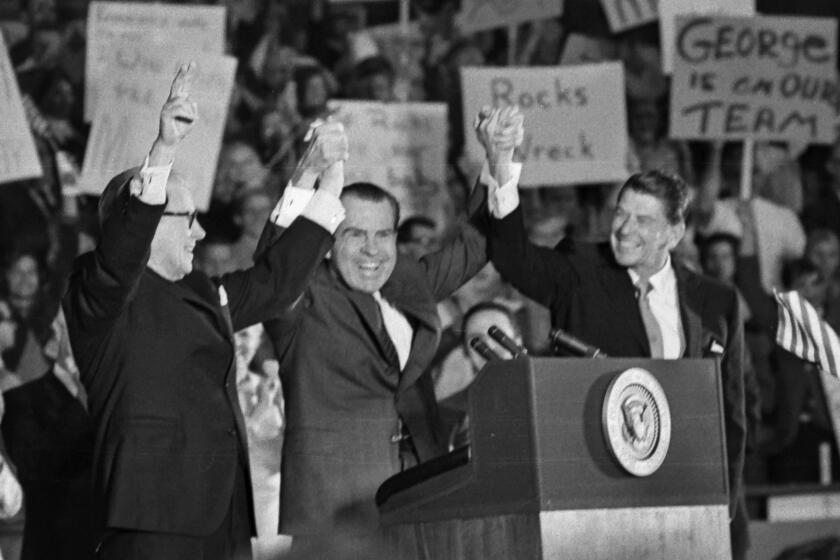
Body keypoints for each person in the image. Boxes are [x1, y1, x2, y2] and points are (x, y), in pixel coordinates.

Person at [61, 63, 341, 560]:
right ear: (143, 222)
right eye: (187, 218)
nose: (200, 233)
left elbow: (274, 284)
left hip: (223, 515)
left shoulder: (201, 292)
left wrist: (321, 179)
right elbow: (124, 245)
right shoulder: (101, 294)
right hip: (152, 518)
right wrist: (164, 149)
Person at [485, 112, 746, 556]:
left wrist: (728, 500)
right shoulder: (581, 268)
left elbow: (734, 411)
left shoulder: (717, 301)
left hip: (690, 500)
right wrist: (500, 162)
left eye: (643, 221)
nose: (624, 229)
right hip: (597, 495)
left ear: (675, 232)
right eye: (620, 214)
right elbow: (514, 259)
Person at [256, 106, 519, 539]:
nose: (371, 250)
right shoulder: (301, 295)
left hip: (412, 497)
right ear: (325, 240)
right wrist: (307, 174)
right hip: (333, 514)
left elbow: (474, 247)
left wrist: (497, 160)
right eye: (355, 235)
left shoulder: (405, 280)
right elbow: (273, 261)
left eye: (383, 235)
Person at [1, 309, 94, 560]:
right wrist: (83, 406)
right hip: (55, 543)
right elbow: (30, 460)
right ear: (57, 334)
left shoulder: (96, 383)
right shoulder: (25, 392)